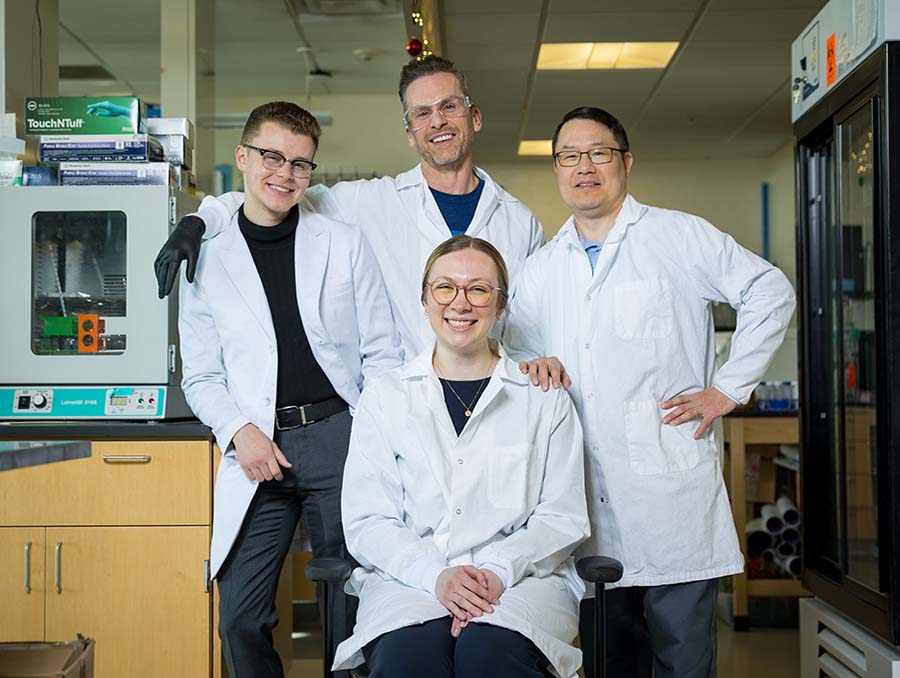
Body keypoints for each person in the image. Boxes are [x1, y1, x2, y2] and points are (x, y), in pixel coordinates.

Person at [503, 107, 797, 678]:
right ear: (557, 169)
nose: (584, 167)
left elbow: (770, 290)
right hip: (581, 508)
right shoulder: (539, 271)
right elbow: (514, 352)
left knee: (683, 664)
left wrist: (726, 390)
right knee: (611, 665)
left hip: (670, 503)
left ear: (626, 162)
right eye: (569, 156)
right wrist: (530, 364)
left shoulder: (677, 236)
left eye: (599, 153)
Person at [178, 101, 402, 678]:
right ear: (243, 157)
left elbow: (382, 352)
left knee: (351, 607)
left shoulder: (343, 242)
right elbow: (201, 375)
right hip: (258, 448)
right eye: (272, 157)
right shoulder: (204, 254)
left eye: (301, 164)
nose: (285, 174)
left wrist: (369, 435)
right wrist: (238, 432)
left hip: (338, 438)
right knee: (240, 617)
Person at [155, 55, 546, 359]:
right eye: (422, 114)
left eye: (449, 107)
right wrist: (198, 221)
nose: (437, 122)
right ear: (409, 133)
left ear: (474, 117)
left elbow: (529, 327)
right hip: (408, 406)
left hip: (494, 400)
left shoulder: (519, 221)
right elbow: (275, 192)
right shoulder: (370, 201)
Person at [332, 236, 590, 678]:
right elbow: (368, 520)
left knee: (489, 658)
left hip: (521, 582)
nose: (461, 303)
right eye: (445, 287)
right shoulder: (386, 396)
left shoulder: (543, 397)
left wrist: (497, 571)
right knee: (408, 663)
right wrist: (436, 575)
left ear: (501, 304)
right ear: (425, 299)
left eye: (478, 289)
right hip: (411, 579)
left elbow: (561, 517)